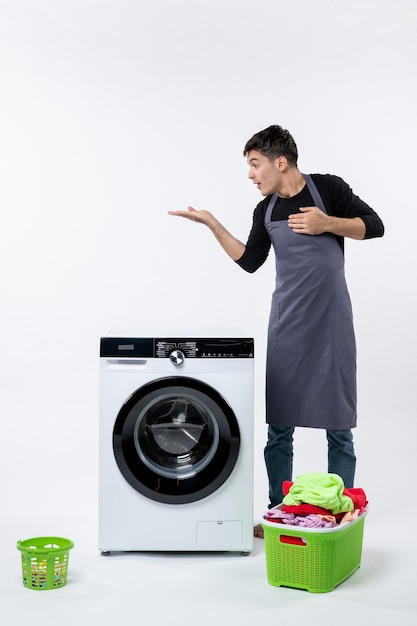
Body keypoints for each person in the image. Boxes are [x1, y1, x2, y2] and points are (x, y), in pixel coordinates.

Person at [168, 125, 384, 537]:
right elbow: (250, 261)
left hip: (332, 324)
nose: (251, 175)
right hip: (288, 326)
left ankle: (342, 518)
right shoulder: (265, 211)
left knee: (339, 428)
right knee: (279, 428)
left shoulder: (328, 189)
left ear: (279, 161)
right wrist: (212, 224)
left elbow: (374, 226)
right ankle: (277, 513)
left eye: (255, 164)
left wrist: (327, 223)